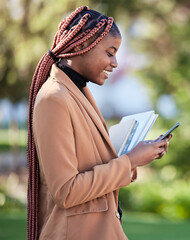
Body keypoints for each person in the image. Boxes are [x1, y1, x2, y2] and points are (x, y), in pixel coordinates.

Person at [27, 6, 171, 240]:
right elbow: (66, 191)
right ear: (83, 46)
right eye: (110, 52)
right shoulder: (54, 98)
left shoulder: (78, 90)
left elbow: (90, 162)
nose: (115, 63)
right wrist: (130, 160)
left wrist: (138, 153)